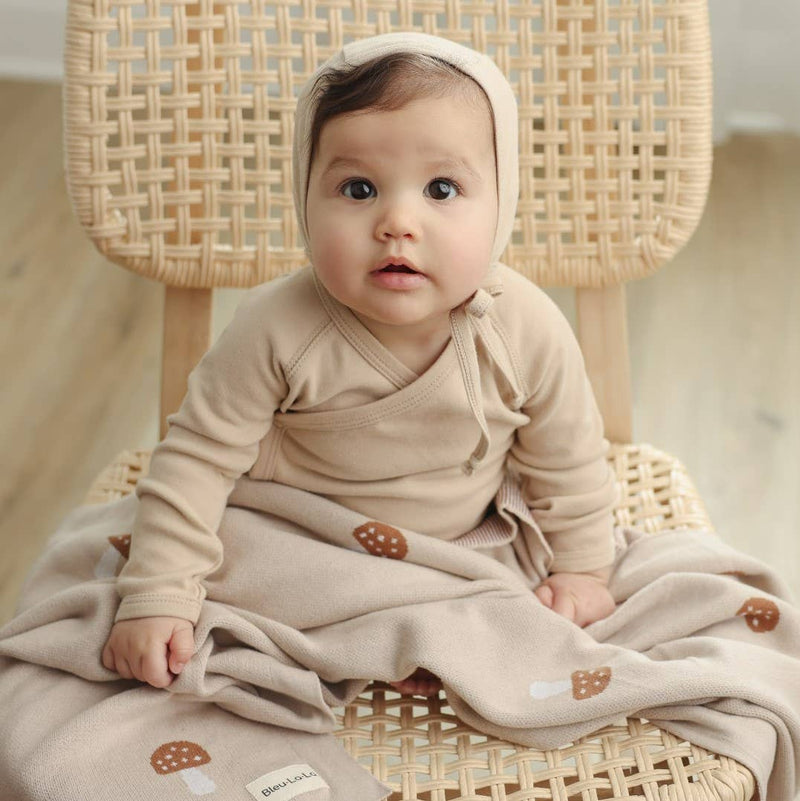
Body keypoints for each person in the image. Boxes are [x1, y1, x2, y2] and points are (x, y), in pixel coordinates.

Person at [102, 33, 617, 697]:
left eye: (441, 187)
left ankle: (409, 630)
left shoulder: (526, 327)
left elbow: (568, 459)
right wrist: (158, 594)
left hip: (463, 544)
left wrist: (583, 570)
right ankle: (377, 634)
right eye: (358, 187)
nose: (397, 220)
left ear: (502, 203)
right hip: (306, 532)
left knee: (521, 612)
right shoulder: (276, 326)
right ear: (304, 198)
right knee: (232, 559)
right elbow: (196, 460)